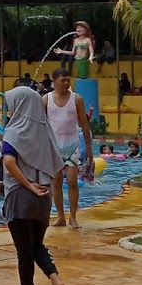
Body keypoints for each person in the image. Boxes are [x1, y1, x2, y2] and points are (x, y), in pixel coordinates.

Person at [0, 86, 69, 285]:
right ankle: (55, 278)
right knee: (36, 244)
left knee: (23, 249)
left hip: (20, 195)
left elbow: (9, 162)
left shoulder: (14, 131)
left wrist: (28, 184)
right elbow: (58, 167)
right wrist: (42, 186)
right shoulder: (45, 133)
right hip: (43, 196)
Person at [43, 69, 94, 229]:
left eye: (68, 80)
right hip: (54, 146)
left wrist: (89, 148)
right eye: (62, 80)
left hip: (72, 145)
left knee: (72, 182)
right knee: (56, 182)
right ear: (54, 81)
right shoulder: (46, 100)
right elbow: (40, 124)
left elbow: (84, 123)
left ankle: (72, 217)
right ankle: (60, 216)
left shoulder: (77, 99)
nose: (66, 83)